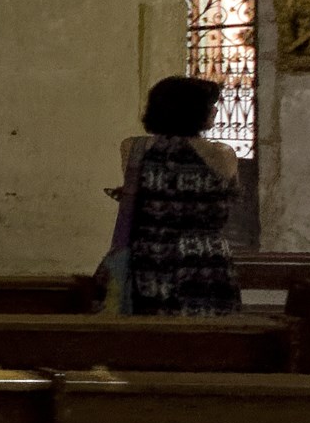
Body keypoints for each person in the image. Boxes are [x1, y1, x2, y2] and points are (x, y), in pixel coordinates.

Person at [100, 76, 242, 316]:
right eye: (209, 103)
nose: (215, 109)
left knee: (150, 335)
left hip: (148, 256)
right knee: (207, 337)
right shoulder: (222, 155)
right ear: (193, 110)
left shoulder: (132, 149)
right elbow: (233, 193)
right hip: (204, 258)